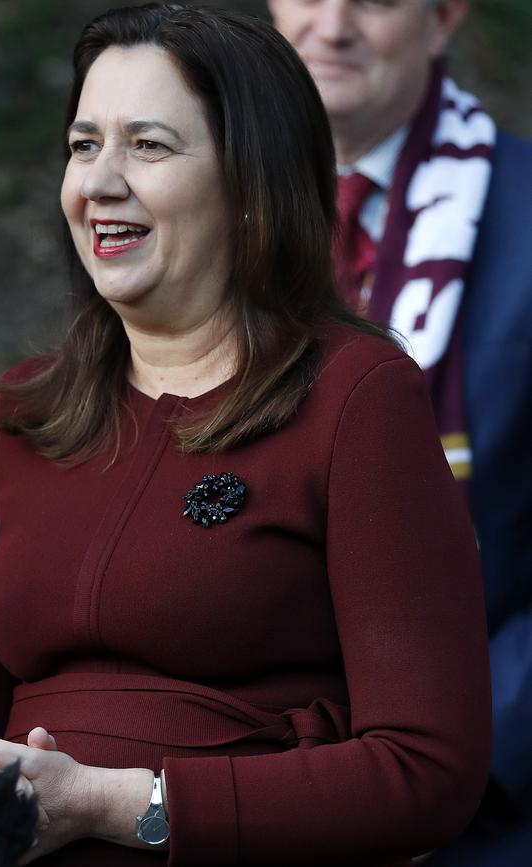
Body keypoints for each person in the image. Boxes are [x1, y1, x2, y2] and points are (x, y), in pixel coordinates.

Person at [0, 4, 491, 865]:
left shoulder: (357, 400)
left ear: (252, 184)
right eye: (84, 143)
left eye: (149, 145)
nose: (99, 181)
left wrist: (118, 804)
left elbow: (426, 769)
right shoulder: (22, 412)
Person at [268, 0, 532, 864]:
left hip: (481, 801)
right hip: (229, 775)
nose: (332, 27)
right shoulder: (197, 214)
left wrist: (439, 765)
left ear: (446, 14)